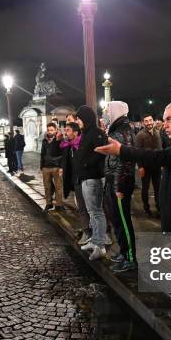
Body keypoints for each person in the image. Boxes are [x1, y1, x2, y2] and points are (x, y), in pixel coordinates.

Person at [95, 101, 171, 234]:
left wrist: (122, 150)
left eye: (170, 119)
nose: (165, 125)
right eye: (164, 120)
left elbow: (162, 155)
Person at [103, 102, 137, 273]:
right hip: (114, 181)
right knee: (117, 220)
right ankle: (124, 252)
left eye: (109, 110)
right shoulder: (117, 128)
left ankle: (130, 258)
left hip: (120, 183)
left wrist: (118, 186)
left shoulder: (122, 131)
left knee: (123, 221)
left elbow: (125, 162)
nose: (106, 113)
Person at [75, 105, 108, 261]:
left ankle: (100, 246)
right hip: (86, 178)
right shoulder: (87, 132)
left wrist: (86, 164)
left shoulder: (96, 133)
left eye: (79, 118)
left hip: (93, 178)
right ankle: (95, 241)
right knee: (92, 212)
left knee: (96, 212)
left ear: (86, 118)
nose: (77, 121)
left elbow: (101, 152)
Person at [60, 122, 92, 243]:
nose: (65, 133)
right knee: (82, 208)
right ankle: (86, 231)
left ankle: (100, 233)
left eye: (68, 130)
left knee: (93, 208)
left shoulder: (83, 145)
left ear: (76, 132)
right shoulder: (68, 145)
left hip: (88, 180)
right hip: (76, 181)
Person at [135, 114, 162, 217]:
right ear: (143, 123)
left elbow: (160, 149)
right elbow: (137, 153)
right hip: (145, 167)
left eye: (150, 120)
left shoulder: (157, 132)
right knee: (145, 189)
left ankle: (159, 207)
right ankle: (146, 209)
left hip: (157, 167)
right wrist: (140, 167)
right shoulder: (140, 135)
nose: (149, 122)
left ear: (153, 121)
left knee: (158, 188)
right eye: (146, 121)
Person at [40, 122, 64, 211]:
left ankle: (59, 204)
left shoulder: (60, 140)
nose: (50, 132)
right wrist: (41, 166)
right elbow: (42, 154)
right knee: (47, 187)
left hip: (56, 167)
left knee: (58, 187)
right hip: (46, 167)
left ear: (56, 130)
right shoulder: (44, 141)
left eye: (52, 130)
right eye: (48, 130)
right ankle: (48, 203)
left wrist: (61, 167)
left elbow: (63, 154)